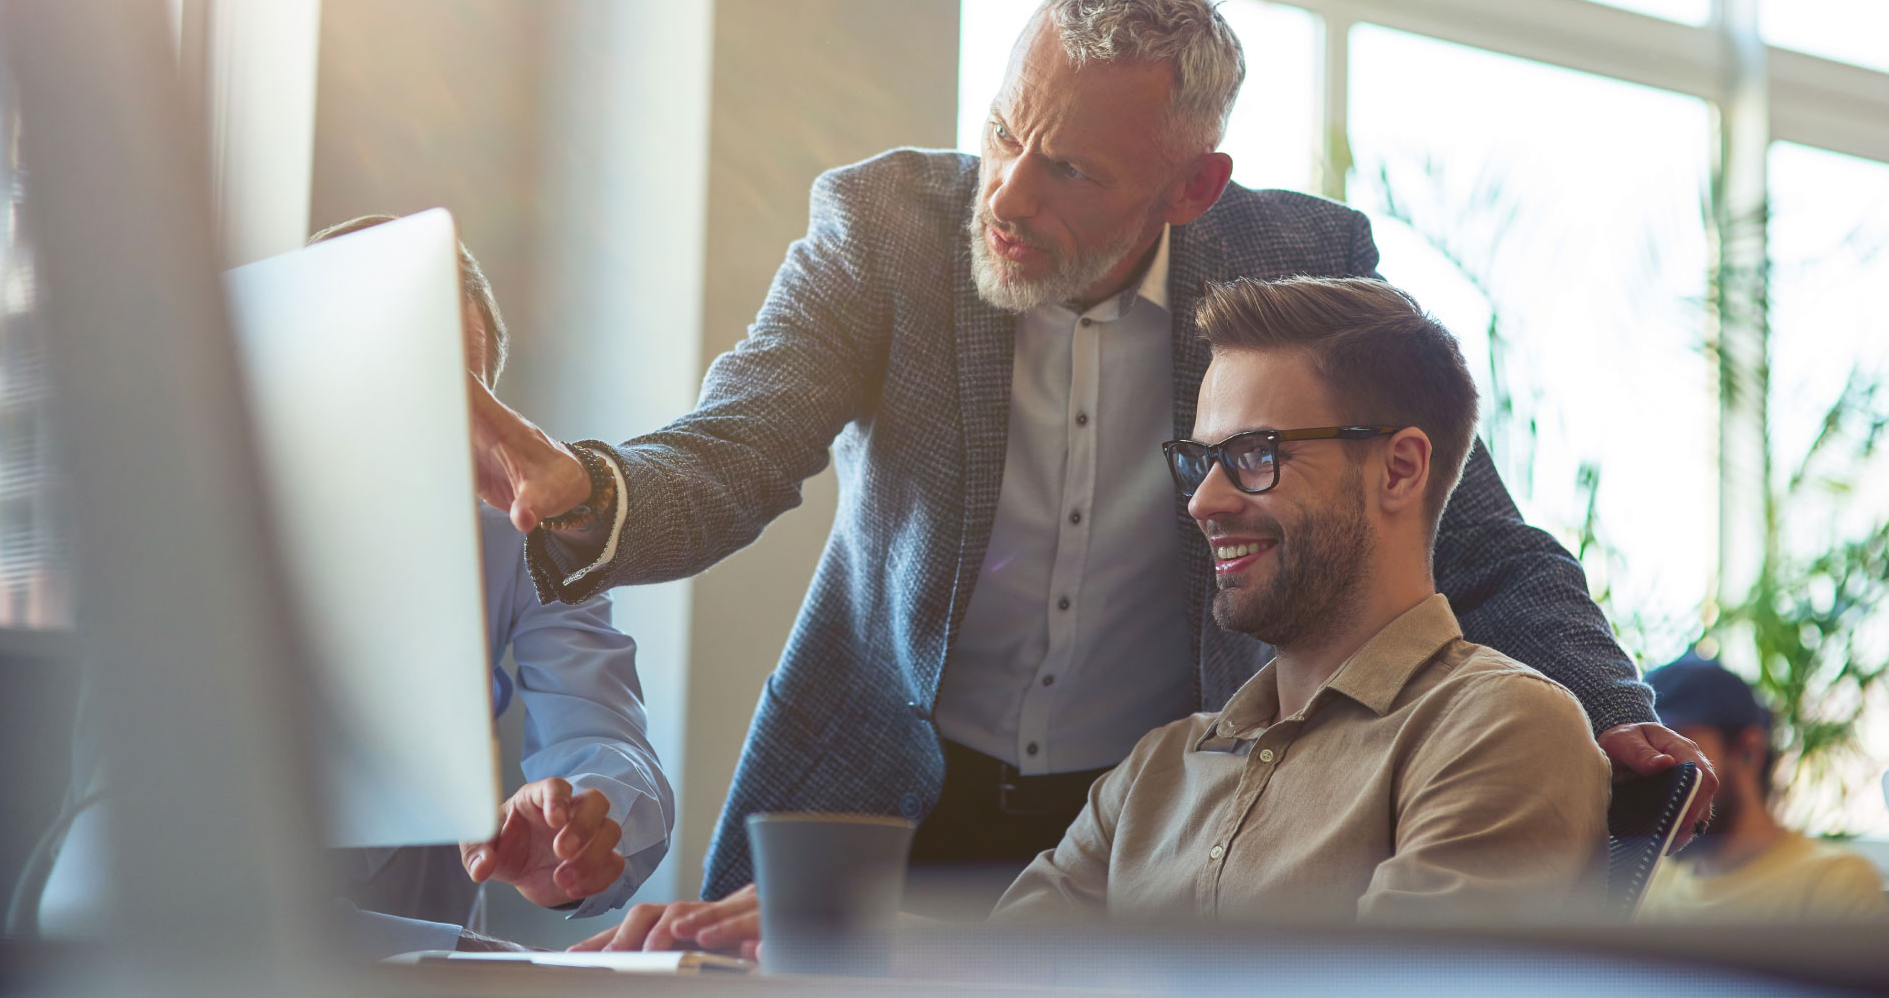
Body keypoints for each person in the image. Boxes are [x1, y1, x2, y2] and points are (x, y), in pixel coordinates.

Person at [468, 0, 1710, 900]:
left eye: (1070, 171)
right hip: (876, 786)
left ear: (1191, 188)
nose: (1005, 192)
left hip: (1140, 822)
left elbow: (1468, 528)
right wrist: (580, 485)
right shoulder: (888, 229)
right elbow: (733, 450)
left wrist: (1603, 696)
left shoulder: (1298, 267)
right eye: (1007, 127)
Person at [579, 276, 1612, 951]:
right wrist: (834, 944)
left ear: (1399, 469)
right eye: (1198, 460)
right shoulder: (1158, 771)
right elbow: (1006, 970)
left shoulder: (1497, 732)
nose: (1203, 500)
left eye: (1253, 457)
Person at [302, 216, 676, 951]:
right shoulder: (182, 524)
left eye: (462, 395)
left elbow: (602, 731)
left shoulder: (520, 539)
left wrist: (588, 812)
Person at [1637, 654, 1886, 923]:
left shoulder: (1834, 888)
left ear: (1748, 751)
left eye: (1677, 750)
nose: (1655, 774)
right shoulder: (1648, 884)